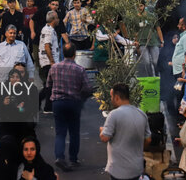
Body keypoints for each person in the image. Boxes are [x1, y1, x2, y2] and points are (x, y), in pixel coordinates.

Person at [47, 42, 93, 171]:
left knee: (60, 132)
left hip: (57, 103)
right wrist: (81, 96)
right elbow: (88, 88)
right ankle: (73, 159)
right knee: (74, 132)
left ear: (63, 53)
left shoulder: (54, 67)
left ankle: (59, 157)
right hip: (73, 103)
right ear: (74, 54)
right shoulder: (80, 69)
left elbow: (48, 84)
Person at [100, 83, 152, 180]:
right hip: (136, 168)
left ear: (116, 97)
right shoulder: (141, 114)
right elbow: (148, 140)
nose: (111, 99)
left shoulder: (114, 114)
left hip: (118, 170)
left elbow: (105, 137)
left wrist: (102, 130)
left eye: (111, 96)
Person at [39, 10, 60, 113]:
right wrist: (52, 61)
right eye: (57, 18)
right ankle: (47, 107)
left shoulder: (49, 29)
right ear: (53, 20)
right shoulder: (49, 31)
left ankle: (39, 102)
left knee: (48, 85)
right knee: (49, 86)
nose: (58, 20)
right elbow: (47, 46)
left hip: (48, 61)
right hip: (48, 62)